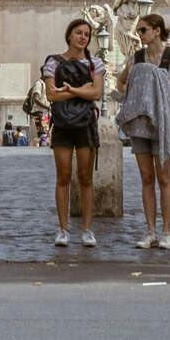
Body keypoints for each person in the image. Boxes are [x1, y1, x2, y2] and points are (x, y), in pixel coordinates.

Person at [113, 14, 170, 251]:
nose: (140, 35)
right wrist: (132, 97)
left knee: (164, 177)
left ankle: (166, 231)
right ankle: (150, 231)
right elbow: (120, 82)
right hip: (140, 124)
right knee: (146, 178)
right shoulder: (136, 58)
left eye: (143, 30)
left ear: (157, 31)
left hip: (164, 123)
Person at [41, 17, 103, 249]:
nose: (83, 37)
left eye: (87, 34)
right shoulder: (53, 62)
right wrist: (81, 91)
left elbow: (97, 93)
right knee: (63, 176)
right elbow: (51, 95)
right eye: (78, 33)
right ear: (69, 35)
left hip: (85, 125)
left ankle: (87, 229)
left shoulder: (94, 62)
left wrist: (69, 90)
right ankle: (63, 228)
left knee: (86, 178)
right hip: (63, 125)